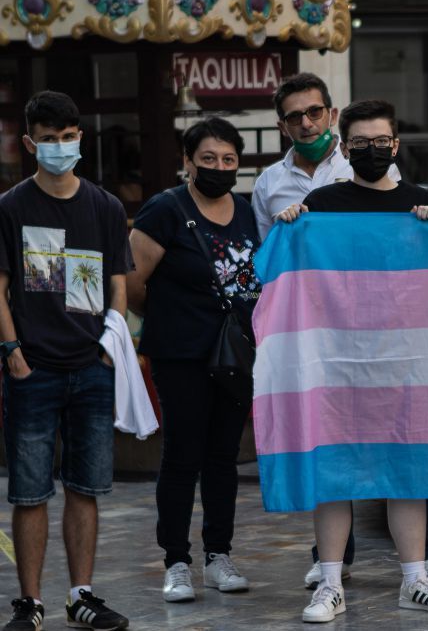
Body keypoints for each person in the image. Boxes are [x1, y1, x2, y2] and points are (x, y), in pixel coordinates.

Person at [254, 74, 428, 592]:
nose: (371, 150)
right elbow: (284, 272)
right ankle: (331, 582)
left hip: (400, 357)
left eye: (380, 142)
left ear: (395, 145)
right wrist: (292, 225)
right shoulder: (321, 205)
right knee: (334, 468)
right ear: (347, 144)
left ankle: (416, 578)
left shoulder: (420, 205)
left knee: (406, 468)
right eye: (360, 143)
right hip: (337, 359)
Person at [0, 91, 130, 631]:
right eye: (48, 139)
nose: (59, 147)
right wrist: (11, 352)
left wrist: (109, 347)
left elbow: (119, 285)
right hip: (33, 369)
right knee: (30, 492)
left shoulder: (105, 206)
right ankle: (30, 603)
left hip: (90, 367)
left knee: (86, 487)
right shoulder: (10, 207)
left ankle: (82, 596)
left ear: (81, 137)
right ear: (31, 143)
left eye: (68, 136)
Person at [127, 118, 260, 604]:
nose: (219, 168)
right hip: (180, 353)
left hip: (236, 354)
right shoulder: (164, 210)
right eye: (208, 159)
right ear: (188, 161)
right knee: (182, 456)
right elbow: (134, 283)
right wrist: (172, 318)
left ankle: (219, 555)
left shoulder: (244, 210)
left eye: (228, 160)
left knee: (224, 458)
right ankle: (177, 561)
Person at [251, 72, 400, 240]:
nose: (306, 124)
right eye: (294, 117)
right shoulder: (267, 184)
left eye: (315, 112)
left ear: (333, 116)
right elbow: (267, 251)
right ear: (283, 128)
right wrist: (282, 229)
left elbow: (396, 231)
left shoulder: (374, 165)